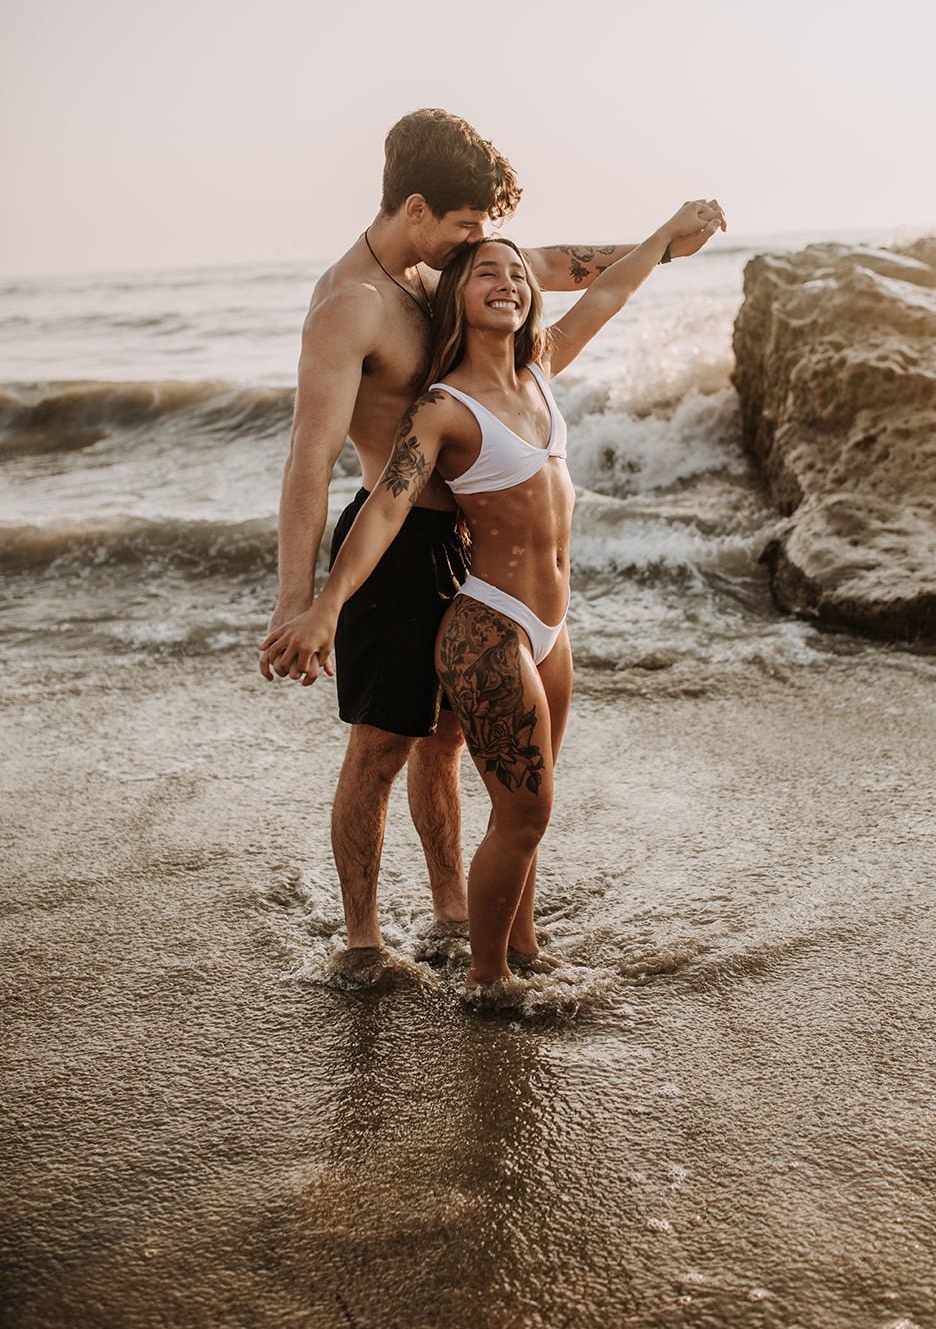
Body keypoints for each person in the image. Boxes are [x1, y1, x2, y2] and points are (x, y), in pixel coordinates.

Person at [259, 109, 723, 965]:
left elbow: (548, 272)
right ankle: (361, 939)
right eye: (469, 224)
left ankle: (450, 909)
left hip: (469, 540)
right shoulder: (349, 307)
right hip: (392, 545)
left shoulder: (446, 273)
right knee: (383, 745)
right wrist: (301, 602)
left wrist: (662, 242)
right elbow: (308, 459)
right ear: (415, 208)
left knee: (448, 742)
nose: (484, 242)